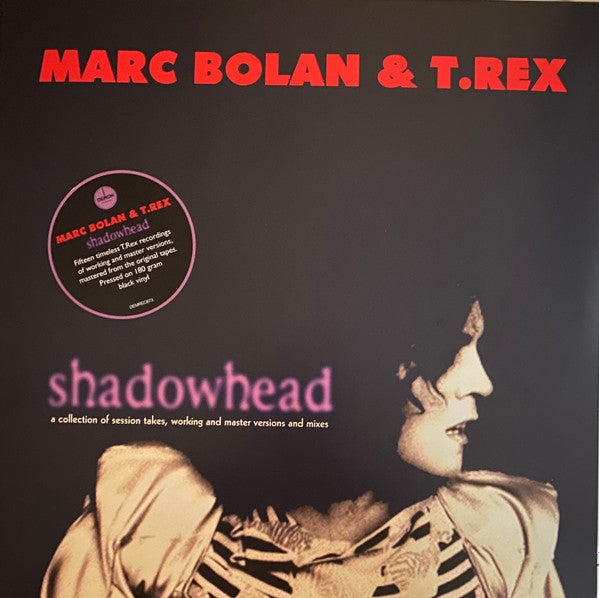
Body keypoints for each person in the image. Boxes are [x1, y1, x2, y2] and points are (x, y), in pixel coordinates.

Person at [41, 300, 564, 598]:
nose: (483, 382)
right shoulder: (151, 528)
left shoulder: (498, 535)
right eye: (453, 347)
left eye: (476, 345)